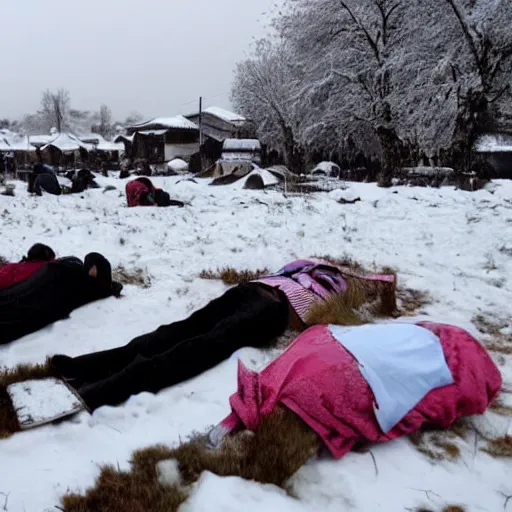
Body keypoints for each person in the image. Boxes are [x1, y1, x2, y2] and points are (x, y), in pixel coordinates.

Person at [50, 259, 396, 411]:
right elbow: (299, 264)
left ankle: (110, 387)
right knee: (176, 331)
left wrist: (368, 283)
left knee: (205, 344)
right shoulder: (308, 266)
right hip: (252, 290)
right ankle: (86, 366)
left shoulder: (344, 288)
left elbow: (380, 283)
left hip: (274, 310)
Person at [0, 253, 123, 345]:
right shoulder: (84, 276)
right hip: (47, 280)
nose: (92, 270)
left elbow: (102, 289)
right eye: (91, 266)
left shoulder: (92, 286)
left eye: (94, 267)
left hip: (50, 289)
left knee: (17, 306)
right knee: (16, 297)